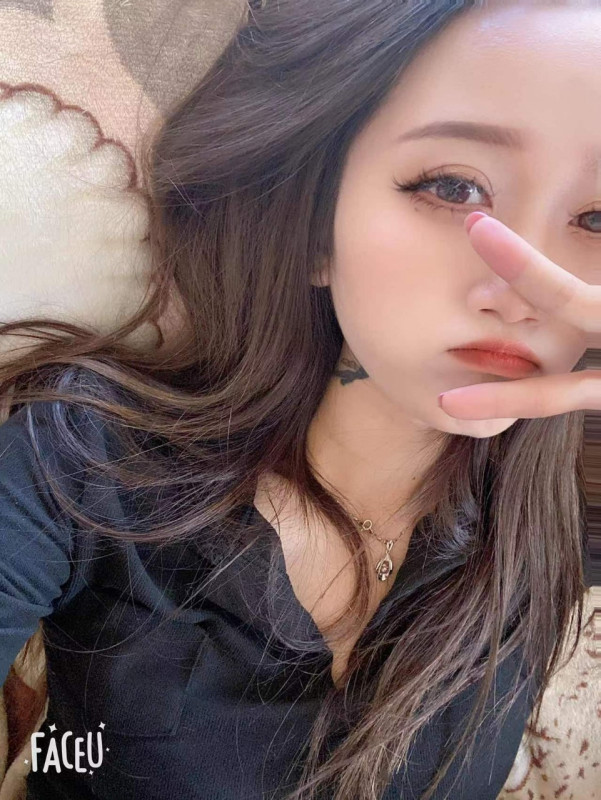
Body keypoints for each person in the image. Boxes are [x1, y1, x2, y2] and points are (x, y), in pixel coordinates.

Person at [0, 0, 597, 798]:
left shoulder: (555, 516)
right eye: (453, 186)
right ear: (317, 226)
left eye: (597, 217)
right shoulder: (87, 458)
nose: (525, 289)